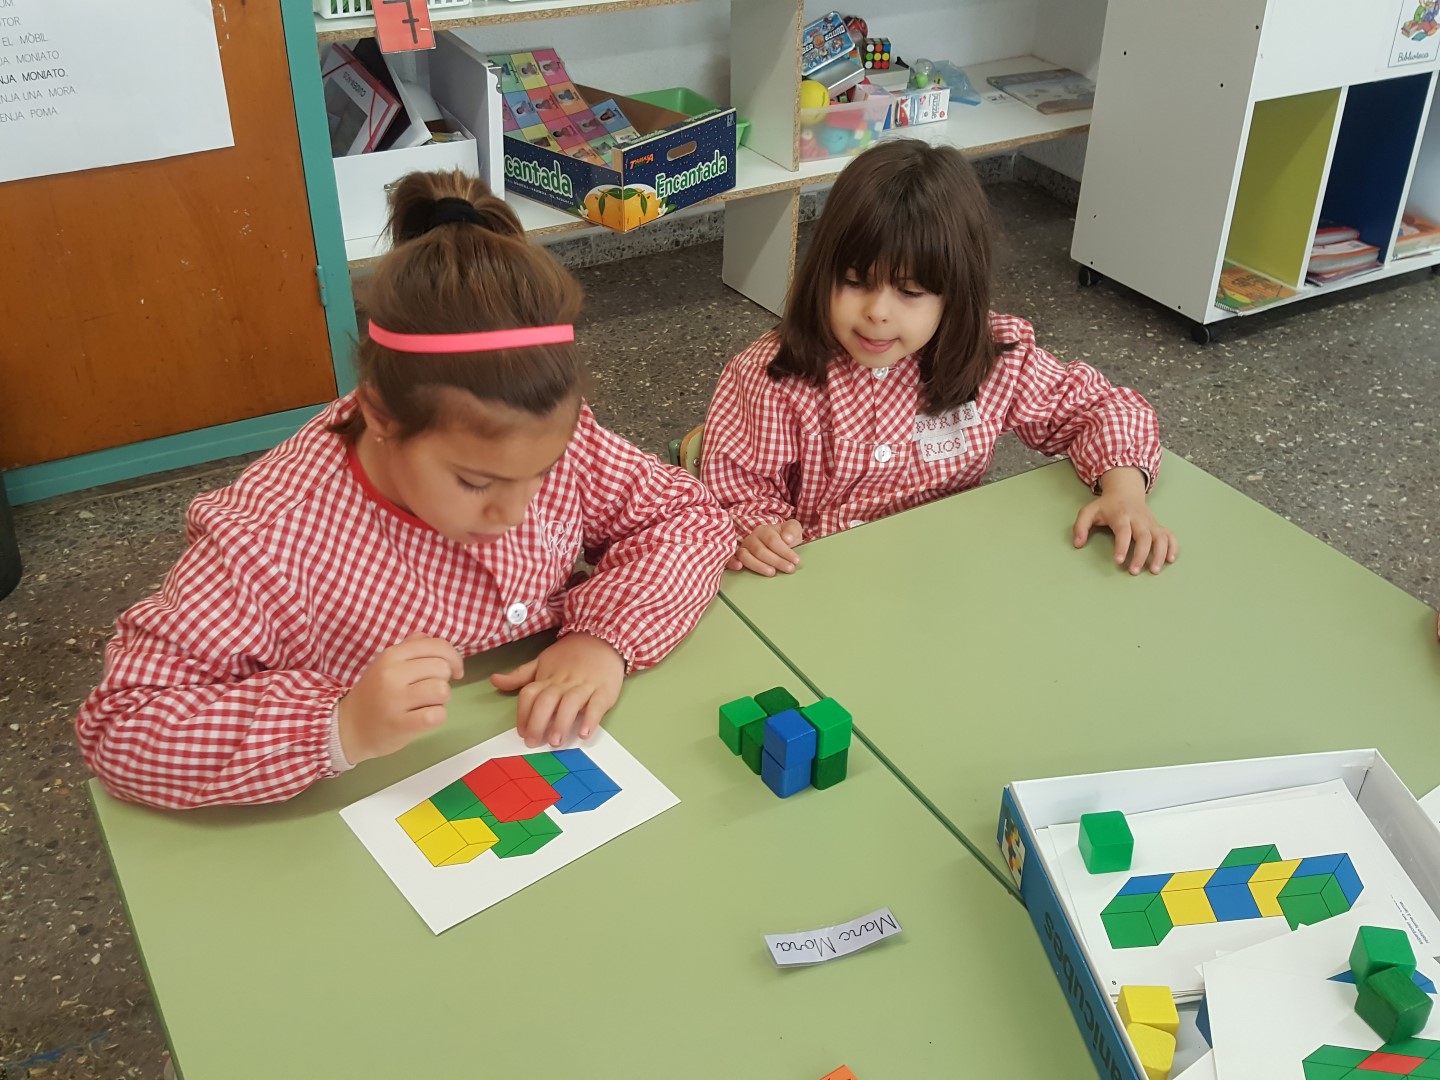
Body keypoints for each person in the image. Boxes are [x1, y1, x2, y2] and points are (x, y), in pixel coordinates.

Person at [75, 170, 733, 808]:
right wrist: (338, 727)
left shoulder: (541, 434)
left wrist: (603, 639)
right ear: (382, 417)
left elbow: (687, 518)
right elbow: (124, 727)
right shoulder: (272, 540)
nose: (515, 512)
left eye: (543, 473)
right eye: (475, 482)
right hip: (367, 794)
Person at [701, 138, 1177, 578]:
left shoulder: (992, 358)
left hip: (946, 575)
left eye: (910, 291)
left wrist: (1124, 492)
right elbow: (737, 494)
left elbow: (1104, 409)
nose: (877, 312)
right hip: (823, 580)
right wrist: (759, 532)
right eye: (854, 281)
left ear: (955, 294)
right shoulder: (772, 375)